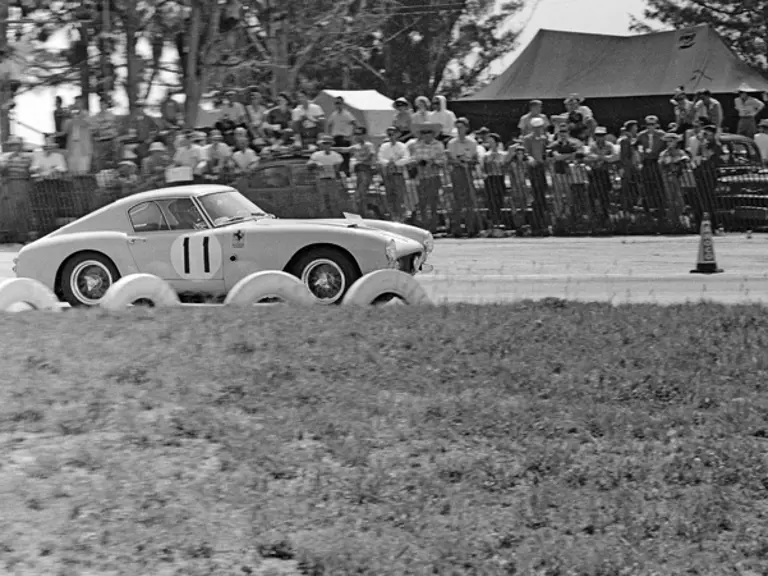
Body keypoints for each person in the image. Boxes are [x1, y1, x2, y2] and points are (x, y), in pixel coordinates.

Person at [407, 122, 446, 233]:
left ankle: (433, 227)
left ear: (433, 134)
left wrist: (432, 162)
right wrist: (417, 162)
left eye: (428, 132)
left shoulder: (438, 145)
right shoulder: (416, 145)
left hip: (434, 176)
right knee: (422, 203)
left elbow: (443, 161)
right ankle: (424, 228)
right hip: (420, 177)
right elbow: (411, 159)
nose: (426, 135)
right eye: (423, 133)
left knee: (433, 202)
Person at [446, 117, 480, 236]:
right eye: (458, 127)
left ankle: (471, 227)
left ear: (466, 128)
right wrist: (459, 162)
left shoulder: (472, 142)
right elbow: (450, 158)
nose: (460, 130)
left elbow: (474, 157)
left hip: (468, 171)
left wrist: (468, 162)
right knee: (457, 200)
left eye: (462, 127)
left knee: (469, 200)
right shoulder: (451, 143)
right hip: (457, 172)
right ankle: (457, 228)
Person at [378, 126, 411, 220]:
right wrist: (388, 163)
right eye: (389, 134)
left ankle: (401, 217)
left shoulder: (402, 146)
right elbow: (380, 157)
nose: (391, 136)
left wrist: (396, 163)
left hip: (398, 174)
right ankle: (393, 217)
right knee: (390, 195)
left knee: (400, 196)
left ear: (398, 134)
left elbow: (406, 158)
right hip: (387, 174)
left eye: (393, 134)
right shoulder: (384, 146)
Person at [307, 134, 345, 215]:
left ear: (331, 144)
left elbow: (337, 169)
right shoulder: (316, 155)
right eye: (324, 143)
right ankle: (324, 218)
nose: (326, 145)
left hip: (332, 180)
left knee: (334, 200)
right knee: (322, 201)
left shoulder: (336, 156)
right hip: (320, 180)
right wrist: (316, 164)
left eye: (328, 143)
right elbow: (309, 165)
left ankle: (335, 218)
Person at [658, 132, 689, 226]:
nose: (669, 143)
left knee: (680, 199)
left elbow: (686, 161)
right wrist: (675, 160)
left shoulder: (681, 152)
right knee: (670, 200)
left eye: (671, 141)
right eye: (667, 141)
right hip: (668, 178)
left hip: (679, 178)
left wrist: (678, 161)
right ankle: (673, 221)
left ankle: (682, 221)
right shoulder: (664, 153)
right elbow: (663, 163)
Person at [62, 95, 94, 175]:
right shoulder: (70, 116)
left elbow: (85, 123)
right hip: (72, 147)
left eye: (79, 102)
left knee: (82, 172)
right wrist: (67, 116)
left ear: (83, 104)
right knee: (72, 171)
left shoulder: (86, 115)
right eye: (76, 102)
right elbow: (65, 129)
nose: (77, 104)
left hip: (83, 148)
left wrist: (76, 117)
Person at [326, 96, 357, 175]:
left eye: (339, 103)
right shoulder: (333, 114)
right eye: (336, 103)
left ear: (343, 104)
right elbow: (329, 125)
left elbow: (355, 124)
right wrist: (329, 136)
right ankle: (338, 173)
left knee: (345, 157)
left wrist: (351, 135)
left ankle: (346, 174)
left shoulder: (347, 114)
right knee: (336, 157)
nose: (337, 105)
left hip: (344, 138)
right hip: (335, 138)